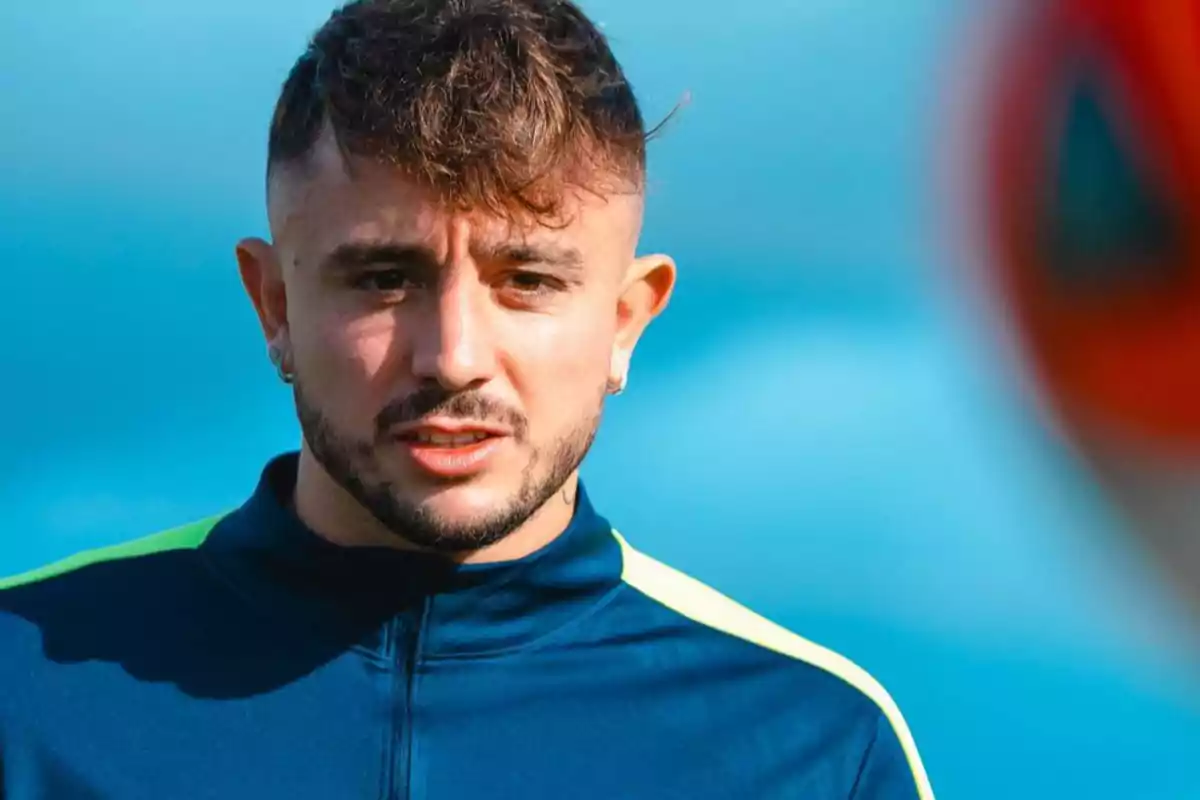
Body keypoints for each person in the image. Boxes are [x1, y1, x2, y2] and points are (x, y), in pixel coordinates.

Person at [0, 1, 935, 797]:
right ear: (274, 305)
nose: (453, 359)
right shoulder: (23, 689)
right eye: (382, 277)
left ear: (625, 321)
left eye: (527, 280)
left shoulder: (816, 748)